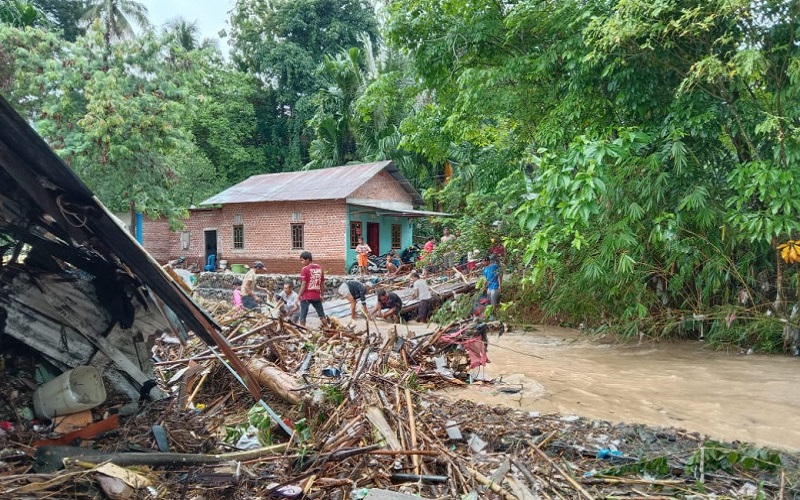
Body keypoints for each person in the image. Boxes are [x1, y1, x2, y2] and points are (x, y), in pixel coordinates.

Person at [298, 251, 326, 326]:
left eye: (302, 260)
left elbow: (303, 284)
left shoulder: (305, 269)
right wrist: (322, 295)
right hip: (316, 296)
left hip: (306, 296)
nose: (302, 262)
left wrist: (298, 296)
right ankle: (328, 328)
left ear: (307, 260)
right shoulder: (320, 268)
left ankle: (302, 331)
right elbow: (322, 283)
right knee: (321, 315)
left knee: (302, 316)